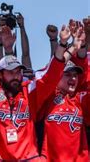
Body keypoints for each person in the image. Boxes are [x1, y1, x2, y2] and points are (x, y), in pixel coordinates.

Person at [0, 5, 67, 161]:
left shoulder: (29, 92)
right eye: (10, 72)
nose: (15, 76)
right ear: (0, 74)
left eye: (17, 71)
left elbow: (51, 77)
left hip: (29, 158)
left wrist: (62, 45)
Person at [38, 23, 89, 161]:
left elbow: (85, 69)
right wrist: (65, 44)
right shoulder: (47, 97)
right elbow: (53, 68)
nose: (73, 78)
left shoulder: (80, 99)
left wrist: (82, 44)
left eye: (75, 75)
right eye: (67, 74)